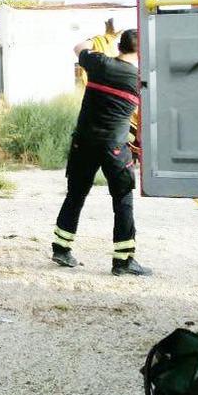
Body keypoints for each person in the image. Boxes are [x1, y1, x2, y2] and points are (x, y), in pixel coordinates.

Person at [51, 28, 152, 277]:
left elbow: (78, 45)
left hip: (83, 142)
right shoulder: (139, 79)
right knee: (122, 201)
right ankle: (123, 261)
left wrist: (101, 36)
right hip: (114, 148)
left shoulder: (99, 63)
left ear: (118, 45)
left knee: (75, 194)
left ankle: (61, 249)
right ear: (141, 51)